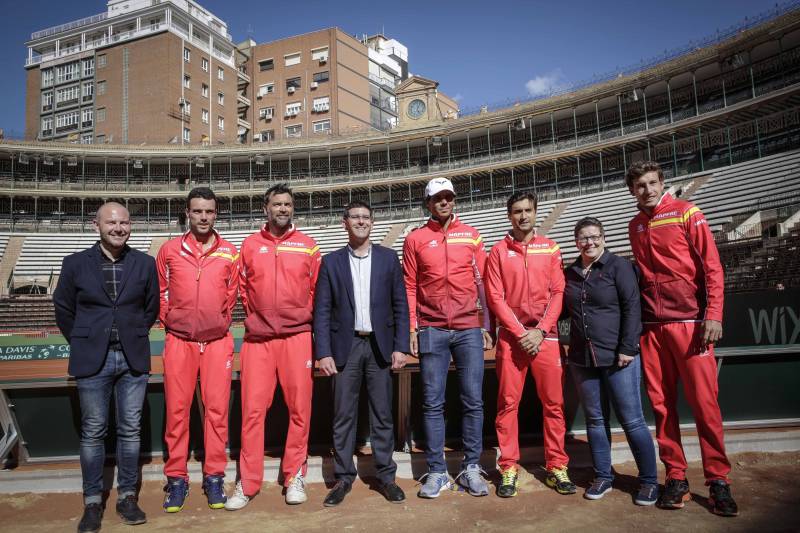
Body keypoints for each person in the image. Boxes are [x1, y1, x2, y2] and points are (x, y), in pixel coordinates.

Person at [626, 160, 738, 516]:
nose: (647, 190)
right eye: (640, 185)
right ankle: (676, 477)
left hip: (691, 324)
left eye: (652, 183)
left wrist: (714, 314)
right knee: (662, 408)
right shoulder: (635, 225)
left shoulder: (688, 213)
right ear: (632, 191)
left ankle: (719, 480)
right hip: (653, 328)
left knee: (705, 405)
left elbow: (712, 267)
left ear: (662, 183)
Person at [54, 202, 159, 533]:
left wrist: (131, 333)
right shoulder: (74, 264)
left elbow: (151, 307)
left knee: (130, 431)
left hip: (132, 357)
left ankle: (127, 496)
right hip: (92, 358)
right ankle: (92, 502)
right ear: (95, 225)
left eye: (125, 222)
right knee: (94, 432)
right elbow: (63, 309)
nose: (119, 228)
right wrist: (85, 340)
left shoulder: (145, 263)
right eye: (112, 222)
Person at [226, 183, 321, 510]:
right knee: (252, 412)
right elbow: (241, 288)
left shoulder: (308, 246)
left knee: (300, 410)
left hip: (297, 338)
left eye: (287, 204)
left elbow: (316, 291)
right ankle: (247, 482)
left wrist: (301, 317)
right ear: (265, 208)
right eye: (276, 204)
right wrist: (258, 319)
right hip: (259, 341)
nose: (282, 209)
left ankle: (294, 475)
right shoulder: (250, 245)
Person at [313, 200, 410, 507]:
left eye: (365, 217)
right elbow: (322, 310)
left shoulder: (388, 258)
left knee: (382, 414)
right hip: (346, 346)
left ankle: (386, 477)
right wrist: (323, 351)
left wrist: (400, 345)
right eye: (354, 217)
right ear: (345, 222)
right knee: (343, 415)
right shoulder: (330, 262)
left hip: (380, 345)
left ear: (372, 222)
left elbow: (400, 305)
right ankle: (343, 477)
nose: (360, 221)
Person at [403, 177, 494, 499]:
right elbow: (410, 286)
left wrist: (486, 324)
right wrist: (413, 328)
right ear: (427, 202)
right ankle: (437, 471)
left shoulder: (471, 236)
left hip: (469, 328)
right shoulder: (415, 239)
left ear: (454, 200)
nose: (444, 202)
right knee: (432, 403)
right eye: (437, 198)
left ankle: (471, 467)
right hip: (432, 328)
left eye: (448, 197)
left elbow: (483, 282)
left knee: (473, 400)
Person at [485, 191, 575, 498]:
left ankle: (556, 466)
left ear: (535, 212)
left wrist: (541, 331)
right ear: (509, 216)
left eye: (527, 210)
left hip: (545, 338)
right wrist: (521, 332)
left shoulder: (550, 248)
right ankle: (508, 467)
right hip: (513, 339)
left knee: (554, 405)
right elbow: (495, 297)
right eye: (517, 211)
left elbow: (558, 293)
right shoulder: (497, 251)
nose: (523, 216)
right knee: (508, 405)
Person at [563, 216, 658, 505]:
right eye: (583, 238)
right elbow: (560, 311)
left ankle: (649, 481)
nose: (589, 242)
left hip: (620, 357)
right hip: (582, 357)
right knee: (595, 420)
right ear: (576, 242)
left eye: (594, 237)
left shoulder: (620, 266)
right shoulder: (570, 273)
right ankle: (603, 475)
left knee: (632, 420)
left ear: (603, 238)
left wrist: (628, 348)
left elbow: (632, 308)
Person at [156, 187, 239, 512]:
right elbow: (161, 291)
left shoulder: (230, 252)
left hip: (218, 343)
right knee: (177, 414)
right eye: (197, 211)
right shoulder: (169, 250)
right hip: (180, 343)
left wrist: (214, 321)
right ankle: (176, 480)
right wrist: (174, 321)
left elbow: (232, 295)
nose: (203, 217)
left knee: (217, 413)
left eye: (209, 211)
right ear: (187, 213)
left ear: (216, 214)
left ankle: (214, 476)